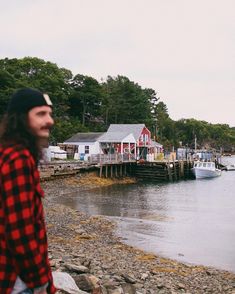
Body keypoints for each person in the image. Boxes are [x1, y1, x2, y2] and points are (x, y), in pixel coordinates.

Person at [0, 88, 56, 294]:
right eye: (40, 114)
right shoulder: (19, 158)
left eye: (50, 114)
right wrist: (40, 282)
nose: (49, 120)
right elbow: (19, 230)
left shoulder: (6, 151)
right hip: (18, 283)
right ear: (21, 118)